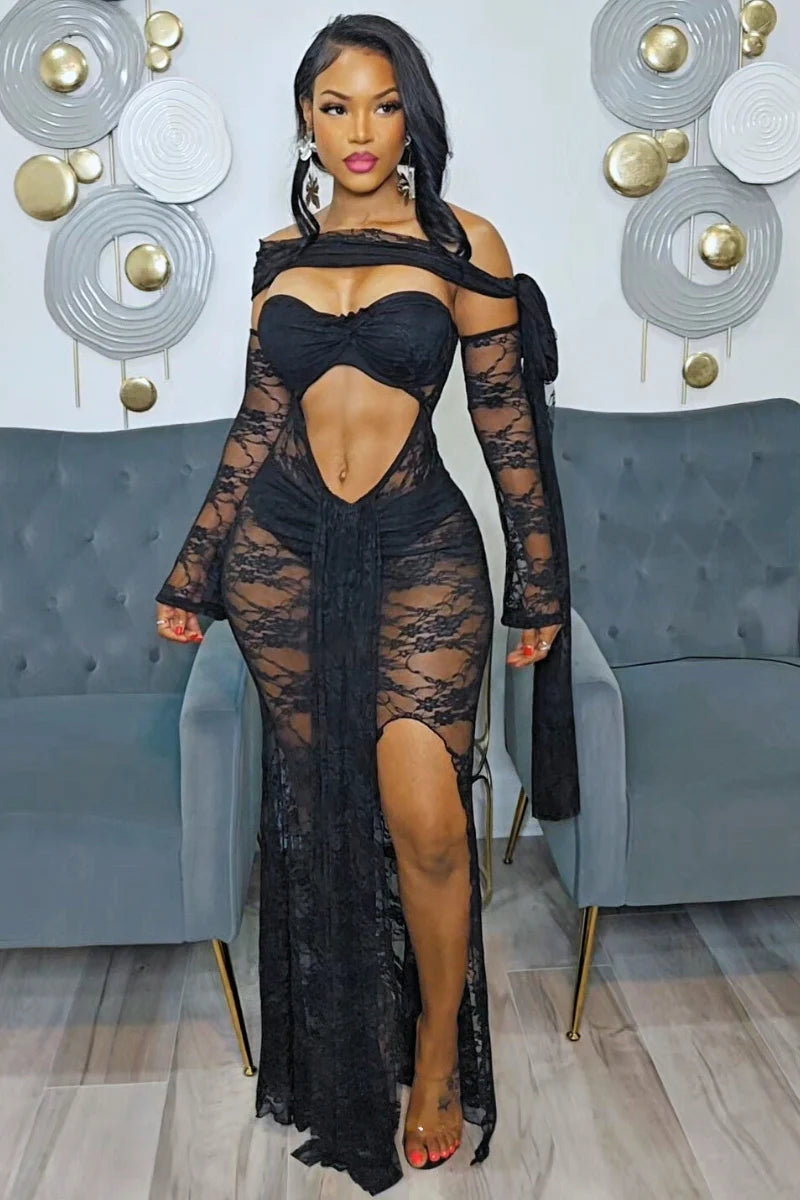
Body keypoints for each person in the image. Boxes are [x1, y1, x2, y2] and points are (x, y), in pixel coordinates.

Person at [154, 12, 579, 1195]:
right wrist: (196, 566)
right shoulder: (276, 254)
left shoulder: (459, 242)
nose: (359, 129)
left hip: (417, 547)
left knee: (428, 819)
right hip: (282, 552)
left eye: (382, 105)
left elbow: (504, 425)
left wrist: (537, 580)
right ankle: (344, 1045)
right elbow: (257, 425)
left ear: (412, 117)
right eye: (334, 105)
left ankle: (436, 1050)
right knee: (319, 814)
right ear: (304, 117)